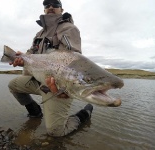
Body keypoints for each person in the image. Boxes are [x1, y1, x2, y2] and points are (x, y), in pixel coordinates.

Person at [8, 0, 93, 137]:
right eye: (47, 5)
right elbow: (31, 55)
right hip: (38, 81)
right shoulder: (39, 35)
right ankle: (35, 112)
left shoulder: (69, 29)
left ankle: (84, 113)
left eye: (55, 4)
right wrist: (21, 58)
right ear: (44, 10)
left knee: (56, 132)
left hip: (57, 86)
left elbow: (72, 59)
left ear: (61, 9)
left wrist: (65, 87)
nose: (51, 7)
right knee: (13, 85)